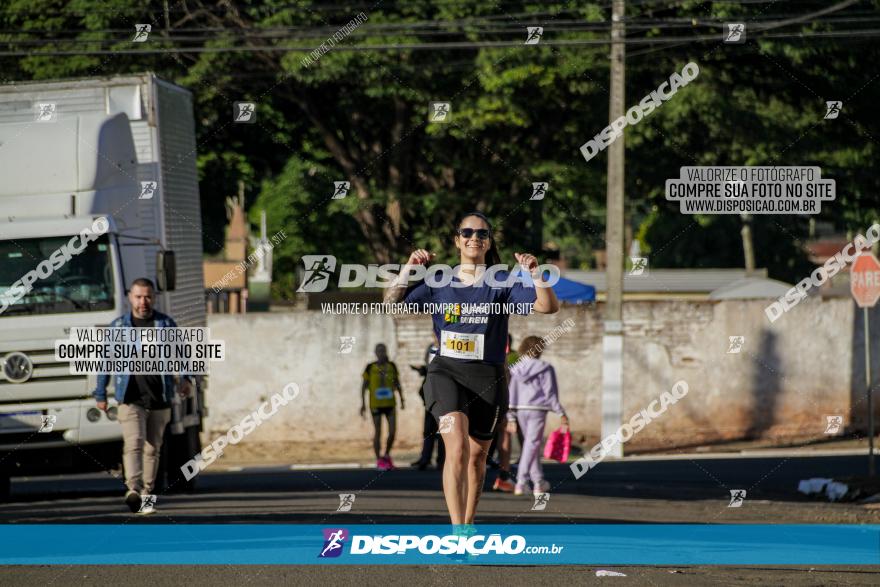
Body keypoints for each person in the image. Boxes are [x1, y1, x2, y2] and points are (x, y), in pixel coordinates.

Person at [384, 211, 559, 526]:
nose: (474, 238)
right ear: (457, 240)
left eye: (481, 234)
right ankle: (457, 529)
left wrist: (535, 274)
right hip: (445, 372)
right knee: (457, 447)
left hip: (488, 378)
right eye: (467, 233)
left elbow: (547, 307)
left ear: (489, 242)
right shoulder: (439, 280)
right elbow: (391, 304)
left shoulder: (502, 282)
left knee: (478, 459)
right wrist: (409, 269)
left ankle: (469, 521)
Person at [92, 278, 193, 514]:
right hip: (129, 396)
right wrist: (100, 393)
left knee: (152, 448)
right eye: (138, 296)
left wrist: (187, 378)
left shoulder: (165, 324)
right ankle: (133, 490)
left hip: (160, 394)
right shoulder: (118, 327)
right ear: (130, 297)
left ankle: (147, 495)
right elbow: (105, 362)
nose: (143, 301)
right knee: (134, 442)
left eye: (147, 296)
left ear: (154, 298)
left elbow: (182, 353)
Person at [507, 335, 569, 495]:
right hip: (537, 410)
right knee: (532, 444)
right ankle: (521, 482)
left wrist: (510, 416)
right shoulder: (546, 368)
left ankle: (538, 481)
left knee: (530, 445)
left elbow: (511, 392)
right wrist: (561, 413)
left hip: (520, 409)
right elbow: (550, 394)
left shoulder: (515, 368)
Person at [360, 343, 405, 470]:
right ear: (375, 352)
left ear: (386, 351)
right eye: (378, 351)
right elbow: (363, 387)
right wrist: (362, 404)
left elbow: (398, 383)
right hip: (375, 404)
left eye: (383, 350)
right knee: (378, 432)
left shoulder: (392, 366)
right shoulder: (370, 367)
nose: (381, 353)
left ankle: (386, 455)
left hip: (390, 404)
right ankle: (379, 459)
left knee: (392, 432)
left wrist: (402, 399)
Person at [411, 342, 445, 470]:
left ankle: (442, 460)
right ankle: (425, 458)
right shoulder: (431, 347)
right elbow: (428, 368)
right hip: (430, 396)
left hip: (443, 395)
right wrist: (421, 370)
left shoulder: (447, 347)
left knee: (443, 431)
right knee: (428, 430)